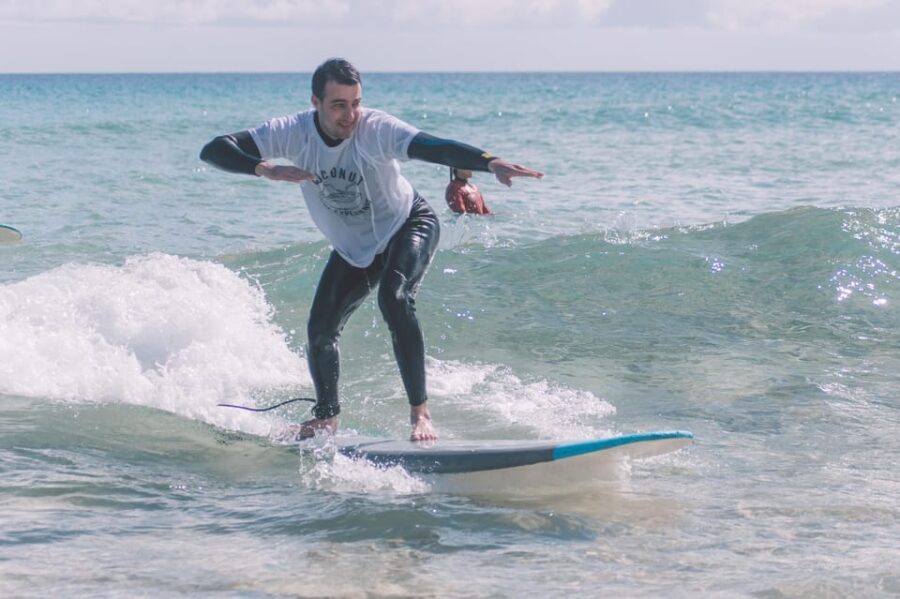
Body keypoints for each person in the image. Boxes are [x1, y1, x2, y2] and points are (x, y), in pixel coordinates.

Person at [200, 58, 542, 441]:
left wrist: (489, 162)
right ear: (316, 103)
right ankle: (326, 419)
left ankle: (421, 415)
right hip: (354, 247)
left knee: (394, 298)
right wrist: (265, 168)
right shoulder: (292, 132)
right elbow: (215, 149)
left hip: (408, 223)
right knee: (319, 331)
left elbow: (434, 147)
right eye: (339, 105)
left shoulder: (375, 129)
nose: (350, 115)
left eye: (355, 103)